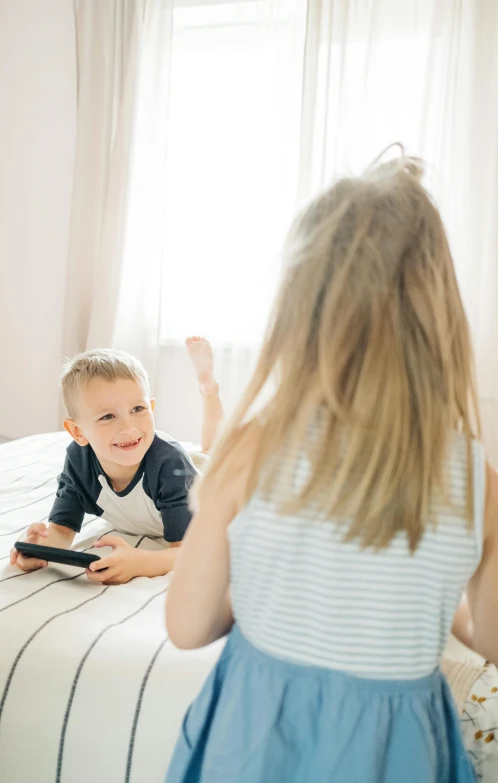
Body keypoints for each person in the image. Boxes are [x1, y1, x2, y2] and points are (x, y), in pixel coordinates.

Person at [164, 155, 498, 782]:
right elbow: (492, 632)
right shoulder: (476, 478)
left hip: (259, 740)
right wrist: (428, 605)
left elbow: (186, 626)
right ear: (440, 318)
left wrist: (261, 596)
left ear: (300, 312)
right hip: (398, 750)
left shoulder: (252, 449)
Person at [9, 349, 199, 584]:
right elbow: (62, 530)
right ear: (78, 432)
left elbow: (189, 553)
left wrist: (140, 563)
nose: (128, 427)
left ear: (151, 408)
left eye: (137, 409)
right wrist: (39, 547)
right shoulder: (79, 461)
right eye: (108, 416)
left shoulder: (168, 464)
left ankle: (209, 395)